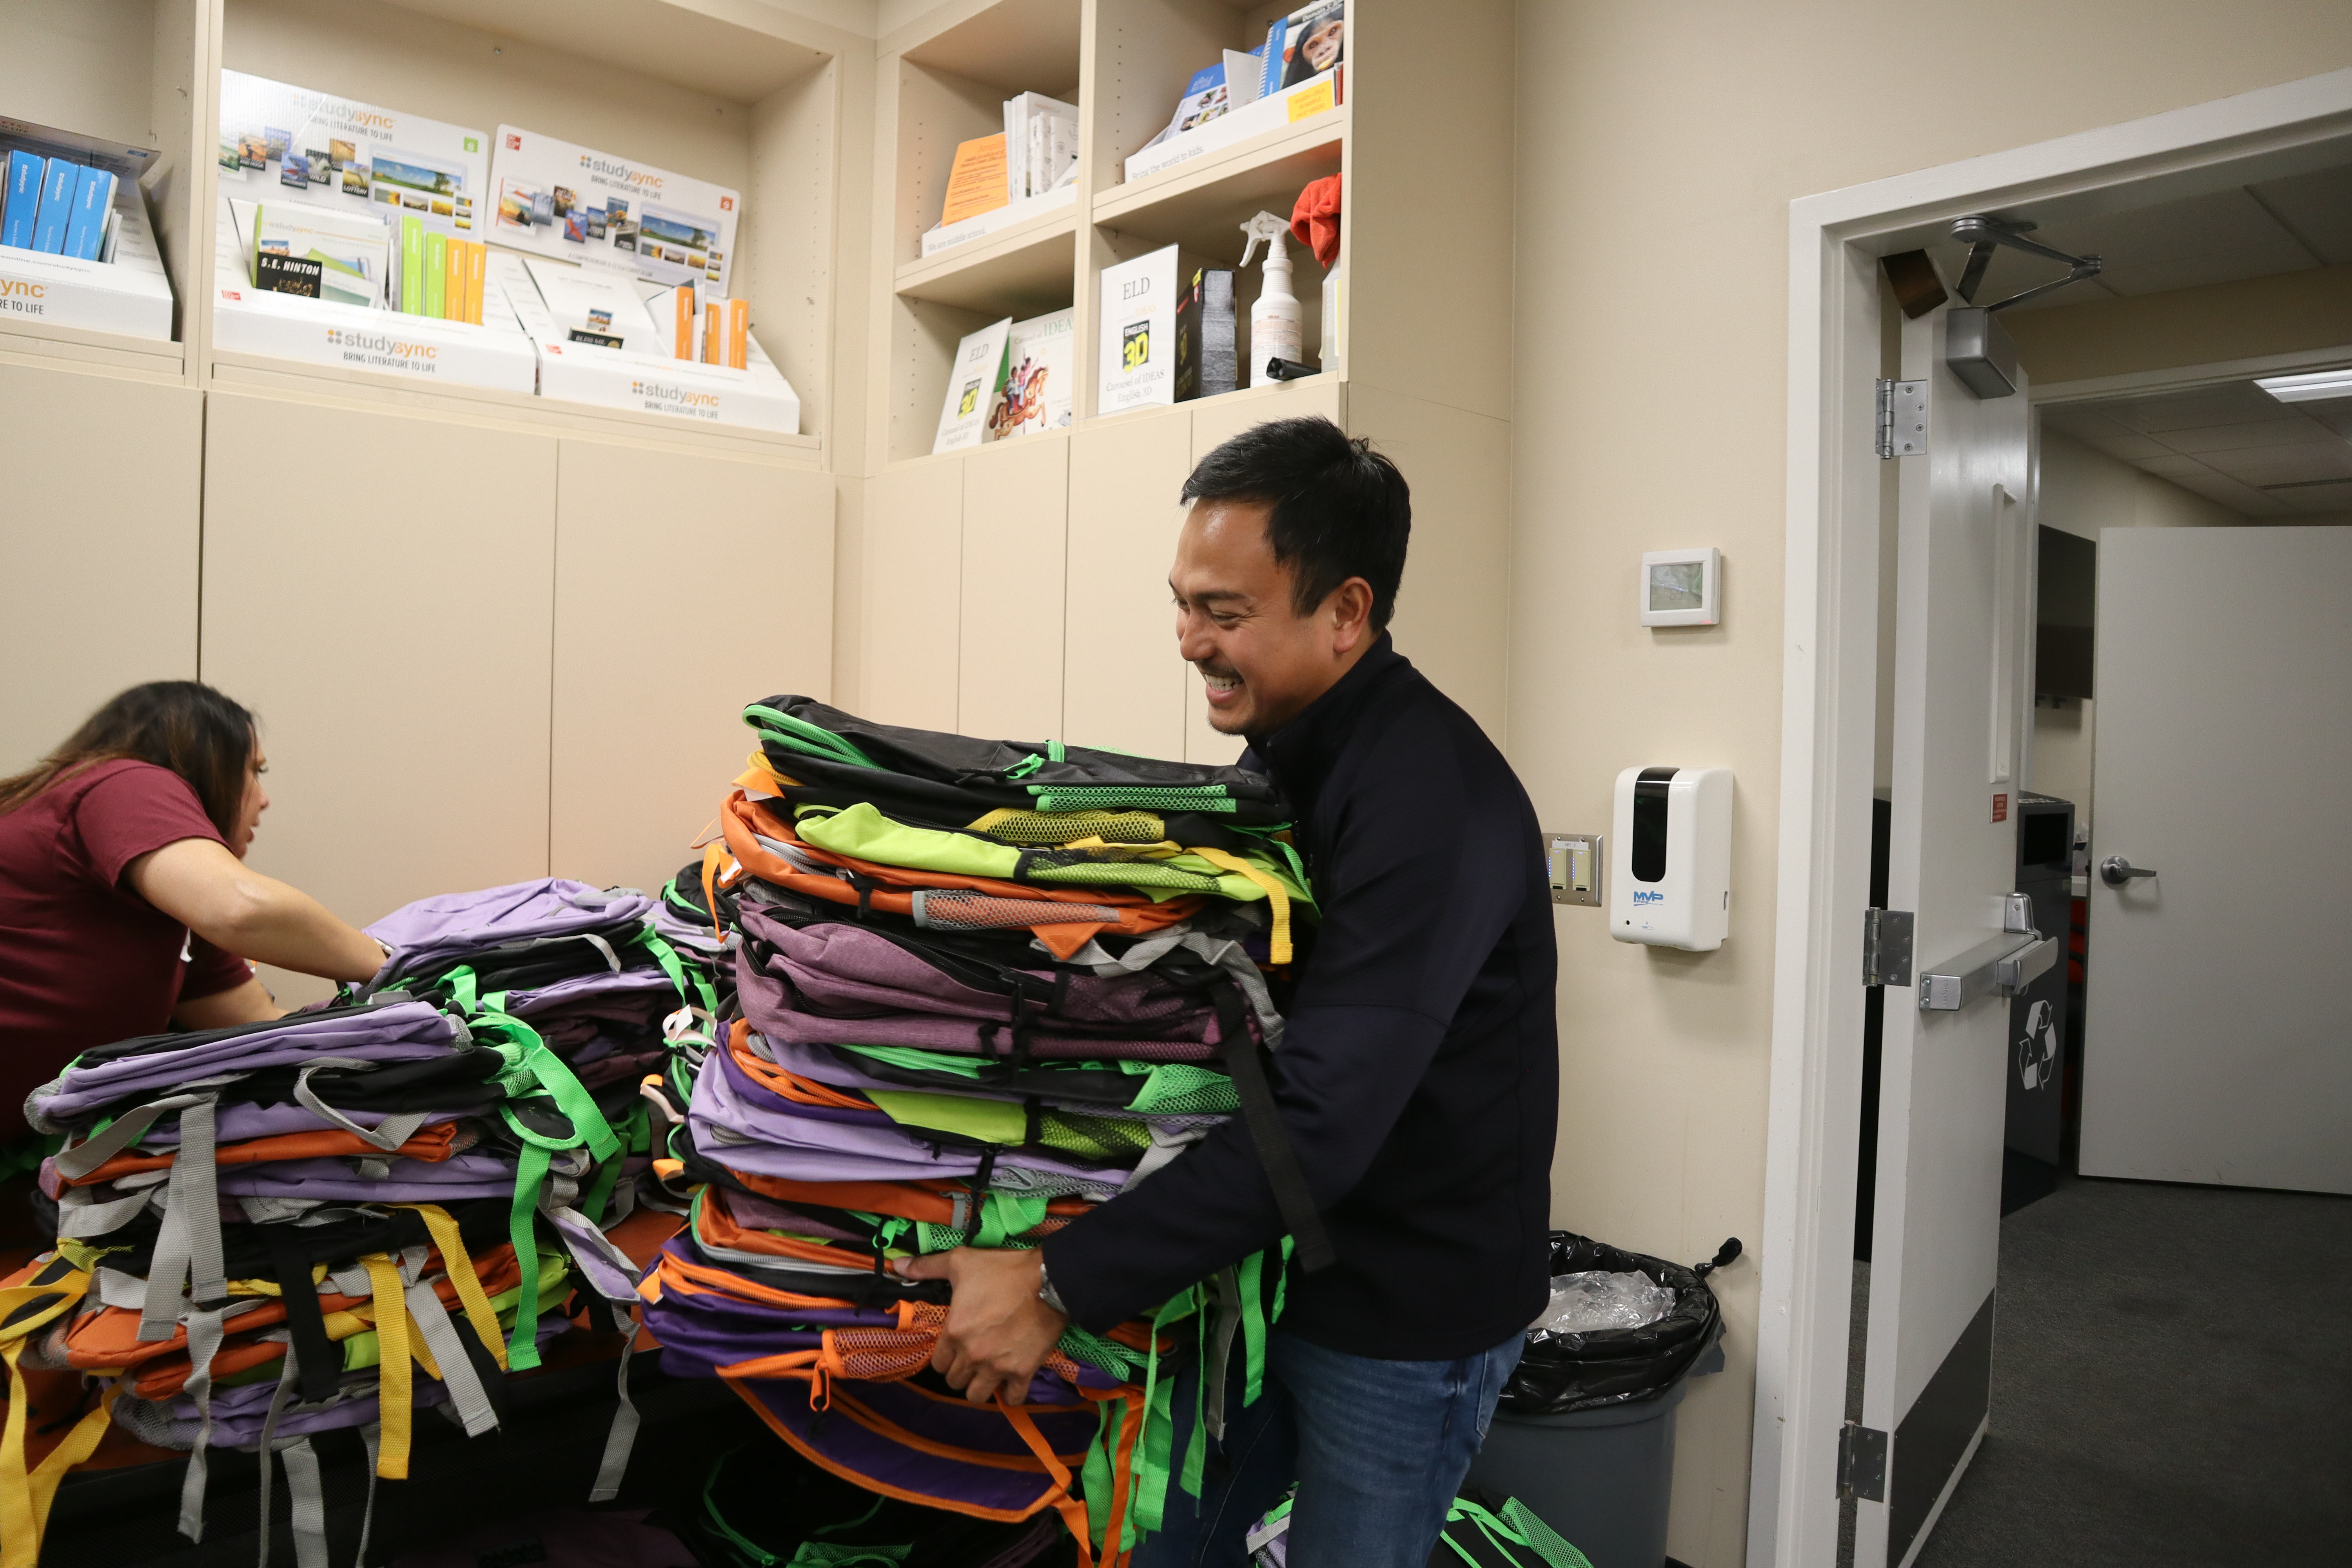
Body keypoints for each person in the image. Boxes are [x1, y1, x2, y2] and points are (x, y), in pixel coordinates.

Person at [899, 417, 1559, 1565]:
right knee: (1162, 1547)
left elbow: (1322, 1116)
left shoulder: (1428, 802)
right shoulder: (1285, 753)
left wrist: (1057, 1280)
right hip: (1258, 1274)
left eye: (1223, 612)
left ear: (1345, 611)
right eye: (1181, 601)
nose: (1186, 640)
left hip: (1401, 1316)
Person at [0, 681, 390, 1162]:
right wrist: (395, 962)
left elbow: (258, 1028)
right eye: (254, 771)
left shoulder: (163, 920)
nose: (263, 799)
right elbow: (241, 907)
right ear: (203, 762)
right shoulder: (126, 780)